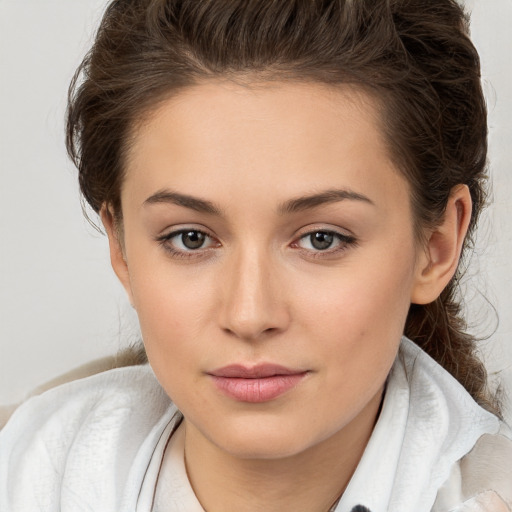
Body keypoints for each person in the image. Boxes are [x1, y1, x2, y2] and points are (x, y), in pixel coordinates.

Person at [1, 0, 511, 510]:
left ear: (436, 246)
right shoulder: (24, 475)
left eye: (321, 238)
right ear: (122, 247)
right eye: (190, 238)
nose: (250, 315)